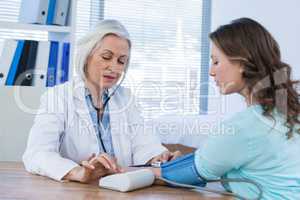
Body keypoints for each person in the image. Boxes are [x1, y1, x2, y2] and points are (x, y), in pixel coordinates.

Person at [150, 18, 300, 199]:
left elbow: (181, 175)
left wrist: (119, 173)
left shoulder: (244, 127)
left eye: (216, 62)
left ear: (243, 63)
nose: (211, 72)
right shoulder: (289, 112)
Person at [23, 19, 180, 183]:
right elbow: (36, 154)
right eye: (106, 57)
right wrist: (78, 172)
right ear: (87, 55)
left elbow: (144, 145)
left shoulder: (126, 98)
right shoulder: (58, 97)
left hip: (122, 190)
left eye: (121, 61)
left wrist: (161, 158)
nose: (114, 67)